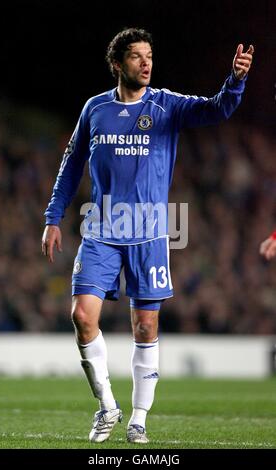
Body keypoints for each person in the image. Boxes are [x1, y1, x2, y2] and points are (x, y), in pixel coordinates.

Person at [42, 28, 254, 444]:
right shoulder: (95, 109)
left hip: (150, 232)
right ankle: (107, 407)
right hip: (101, 229)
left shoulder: (166, 105)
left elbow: (217, 109)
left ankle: (138, 418)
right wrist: (53, 216)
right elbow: (71, 165)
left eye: (150, 56)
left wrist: (236, 80)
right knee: (82, 317)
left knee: (145, 326)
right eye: (137, 56)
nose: (146, 63)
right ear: (118, 64)